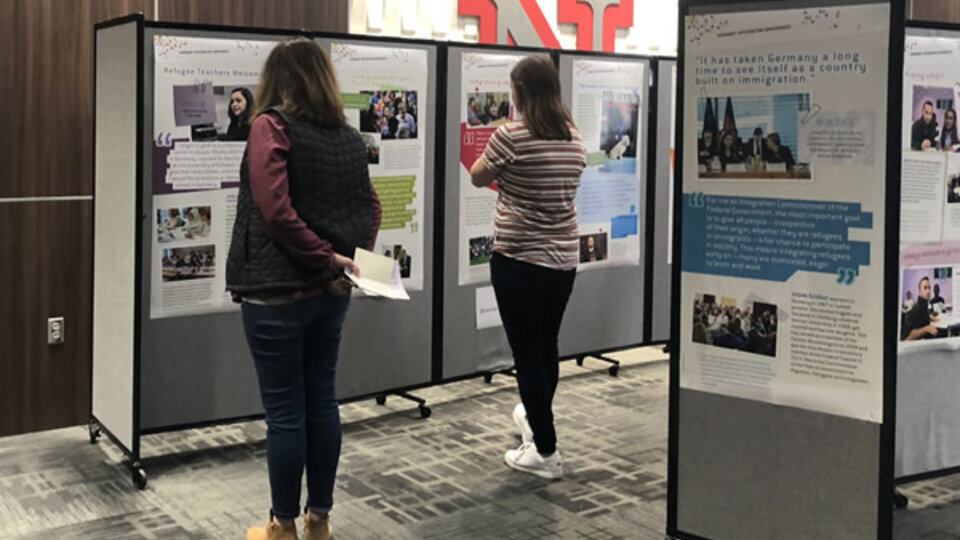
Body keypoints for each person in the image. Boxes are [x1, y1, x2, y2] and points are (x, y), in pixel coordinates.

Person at [225, 38, 382, 540]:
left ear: (277, 78)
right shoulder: (347, 137)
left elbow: (274, 212)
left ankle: (283, 528)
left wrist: (323, 256)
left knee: (286, 414)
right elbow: (371, 208)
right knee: (321, 401)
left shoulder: (270, 126)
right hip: (330, 292)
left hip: (275, 292)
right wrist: (346, 260)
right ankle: (320, 520)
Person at [469, 56, 586, 480]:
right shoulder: (573, 137)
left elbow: (478, 177)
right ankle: (538, 428)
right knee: (546, 345)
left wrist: (509, 173)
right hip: (562, 261)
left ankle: (546, 451)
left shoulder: (511, 135)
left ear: (520, 91)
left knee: (526, 354)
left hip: (518, 258)